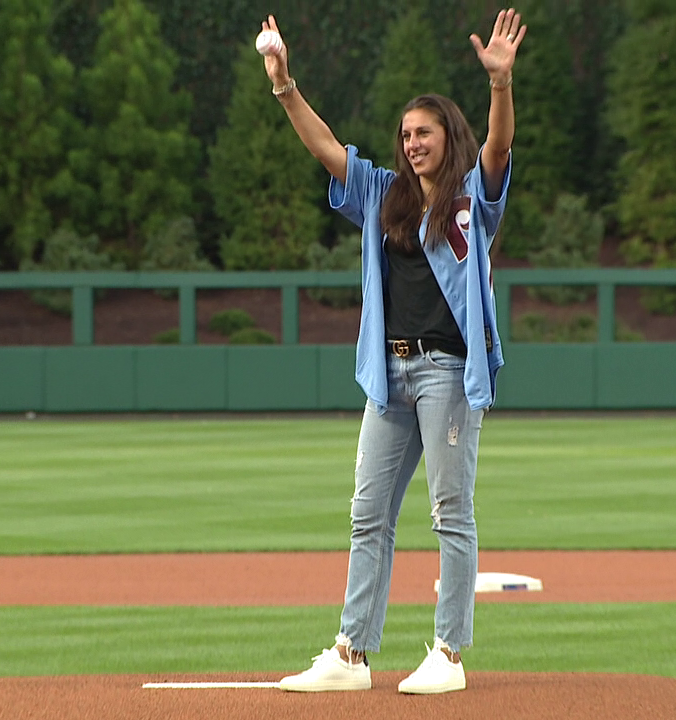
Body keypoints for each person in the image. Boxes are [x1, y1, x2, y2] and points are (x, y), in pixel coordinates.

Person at [264, 8, 526, 696]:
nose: (412, 144)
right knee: (367, 513)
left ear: (449, 136)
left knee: (451, 513)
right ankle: (351, 655)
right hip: (390, 371)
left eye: (424, 133)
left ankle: (448, 652)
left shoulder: (474, 200)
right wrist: (285, 84)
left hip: (446, 371)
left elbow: (499, 148)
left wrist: (500, 84)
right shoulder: (383, 193)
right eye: (406, 134)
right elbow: (325, 148)